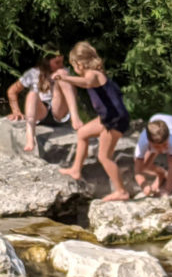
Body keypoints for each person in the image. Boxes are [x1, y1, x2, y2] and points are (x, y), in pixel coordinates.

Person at [52, 41, 131, 201]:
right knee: (82, 133)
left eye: (73, 64)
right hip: (106, 118)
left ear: (79, 63)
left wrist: (65, 78)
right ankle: (76, 169)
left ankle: (121, 191)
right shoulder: (94, 73)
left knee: (104, 156)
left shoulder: (92, 74)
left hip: (114, 121)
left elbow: (87, 83)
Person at [6, 45, 83, 152]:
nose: (60, 65)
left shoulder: (63, 71)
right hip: (41, 113)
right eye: (57, 62)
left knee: (62, 74)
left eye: (61, 62)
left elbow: (73, 94)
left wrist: (63, 78)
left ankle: (75, 118)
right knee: (32, 94)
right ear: (46, 61)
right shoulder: (33, 73)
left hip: (59, 112)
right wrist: (16, 111)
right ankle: (30, 137)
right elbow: (12, 91)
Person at [134, 113, 172, 196]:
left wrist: (167, 190)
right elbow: (137, 172)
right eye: (157, 147)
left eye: (164, 145)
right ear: (149, 142)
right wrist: (144, 186)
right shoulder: (142, 143)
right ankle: (161, 174)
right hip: (155, 123)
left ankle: (170, 177)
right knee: (144, 166)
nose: (162, 150)